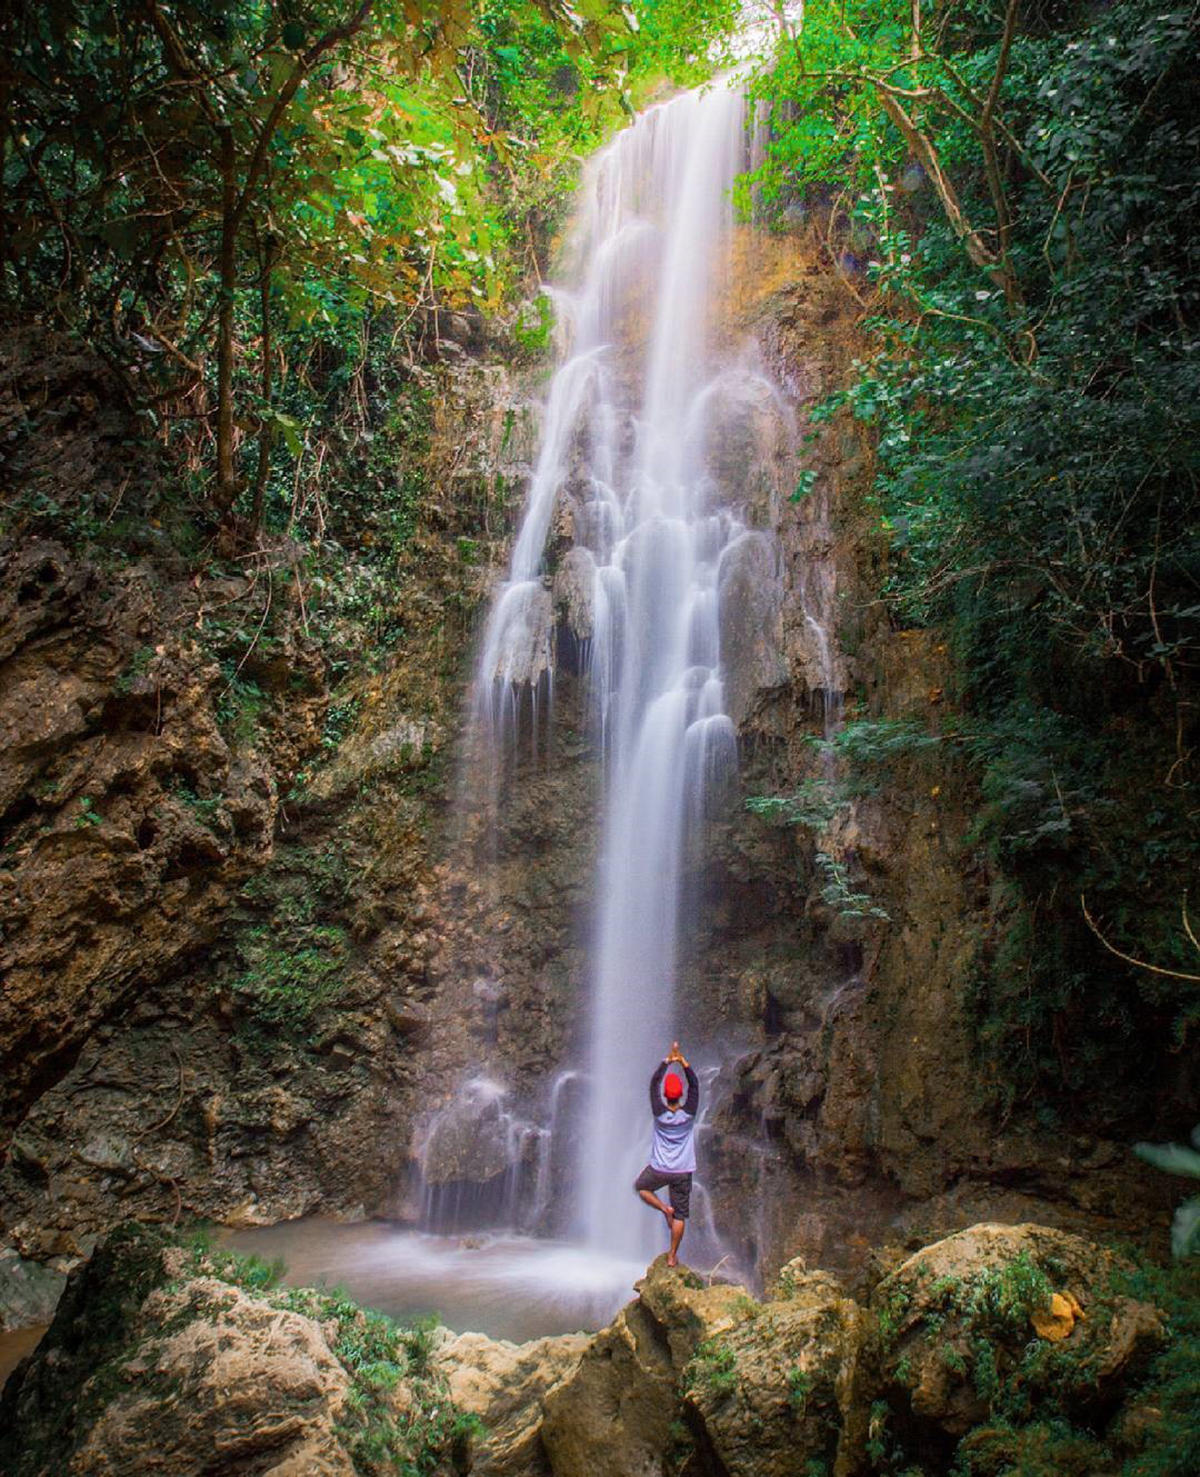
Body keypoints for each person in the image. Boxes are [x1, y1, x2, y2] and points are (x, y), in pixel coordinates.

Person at [633, 1041, 700, 1266]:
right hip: (682, 1170)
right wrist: (682, 1062)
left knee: (641, 1187)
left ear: (664, 1095)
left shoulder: (659, 1113)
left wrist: (667, 1061)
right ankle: (672, 1256)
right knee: (681, 1216)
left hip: (660, 1168)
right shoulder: (689, 1114)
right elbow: (695, 1086)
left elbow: (653, 1084)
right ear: (680, 1096)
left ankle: (664, 1208)